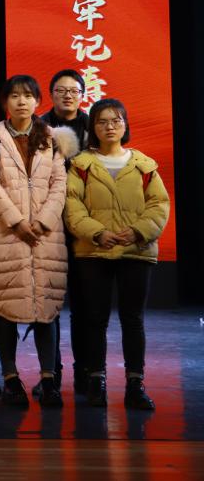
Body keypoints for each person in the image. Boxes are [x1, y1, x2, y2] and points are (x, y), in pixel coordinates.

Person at [0, 75, 77, 408]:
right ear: (5, 102)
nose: (22, 101)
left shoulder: (53, 139)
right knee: (6, 308)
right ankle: (10, 379)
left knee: (47, 308)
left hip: (47, 235)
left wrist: (43, 221)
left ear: (38, 101)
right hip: (7, 233)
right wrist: (16, 221)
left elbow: (60, 184)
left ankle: (49, 380)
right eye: (15, 96)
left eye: (28, 96)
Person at [65, 98, 170, 410]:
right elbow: (72, 207)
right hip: (93, 251)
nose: (109, 126)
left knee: (132, 319)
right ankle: (95, 381)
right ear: (93, 127)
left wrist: (137, 231)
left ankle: (135, 384)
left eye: (116, 120)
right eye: (102, 121)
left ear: (125, 125)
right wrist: (97, 232)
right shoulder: (80, 165)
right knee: (94, 319)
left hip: (136, 251)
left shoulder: (145, 165)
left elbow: (159, 206)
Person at [40, 69, 92, 395]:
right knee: (49, 305)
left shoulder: (95, 126)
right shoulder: (40, 127)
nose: (68, 95)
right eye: (61, 90)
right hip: (49, 224)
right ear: (51, 95)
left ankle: (85, 372)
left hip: (85, 225)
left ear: (82, 95)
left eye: (74, 90)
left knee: (84, 306)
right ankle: (51, 374)